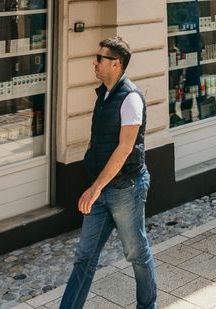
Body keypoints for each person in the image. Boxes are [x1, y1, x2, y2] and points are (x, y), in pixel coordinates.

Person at [60, 37, 157, 309]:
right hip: (101, 188)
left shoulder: (131, 99)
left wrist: (95, 188)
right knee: (84, 257)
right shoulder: (103, 95)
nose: (95, 63)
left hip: (126, 188)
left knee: (136, 253)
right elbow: (97, 137)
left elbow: (125, 148)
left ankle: (147, 306)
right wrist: (91, 163)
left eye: (100, 58)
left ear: (116, 63)